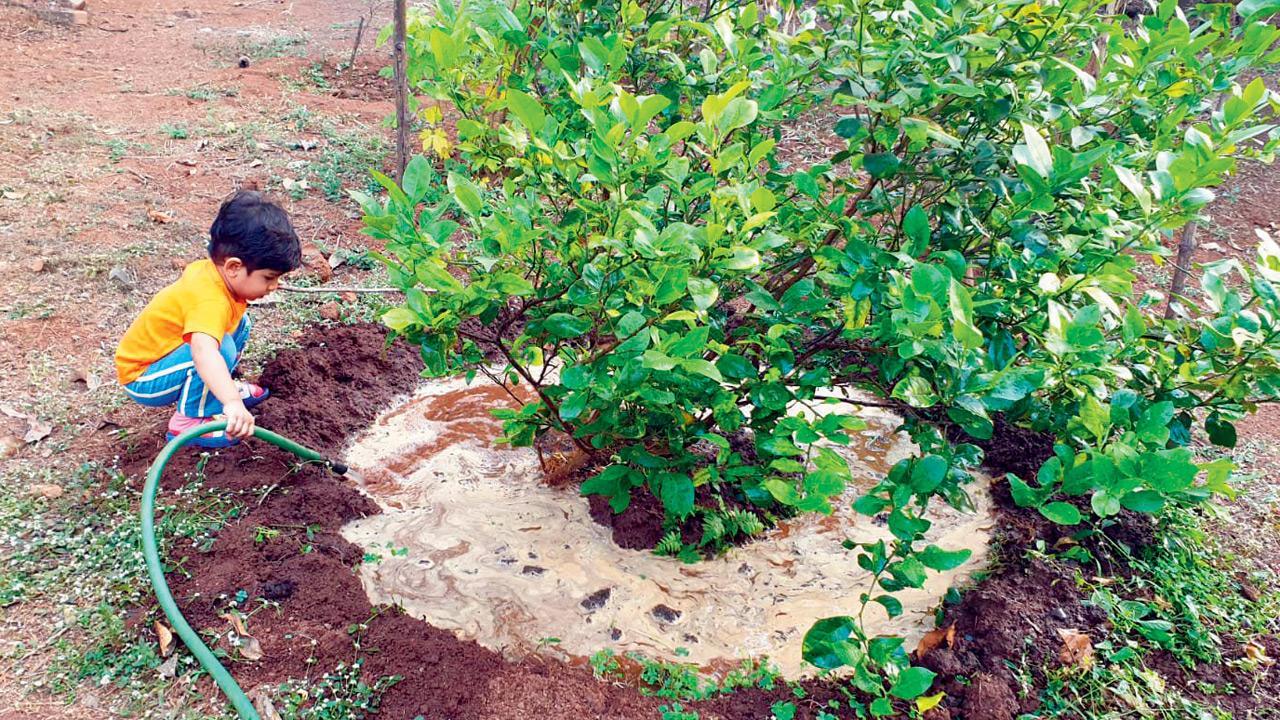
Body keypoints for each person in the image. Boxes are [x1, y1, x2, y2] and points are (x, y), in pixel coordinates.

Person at [114, 190, 301, 447]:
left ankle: (215, 393)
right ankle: (188, 422)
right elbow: (204, 353)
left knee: (239, 326)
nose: (274, 286)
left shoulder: (218, 277)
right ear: (234, 267)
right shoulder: (209, 300)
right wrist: (232, 404)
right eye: (269, 277)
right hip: (144, 378)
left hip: (168, 359)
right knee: (218, 348)